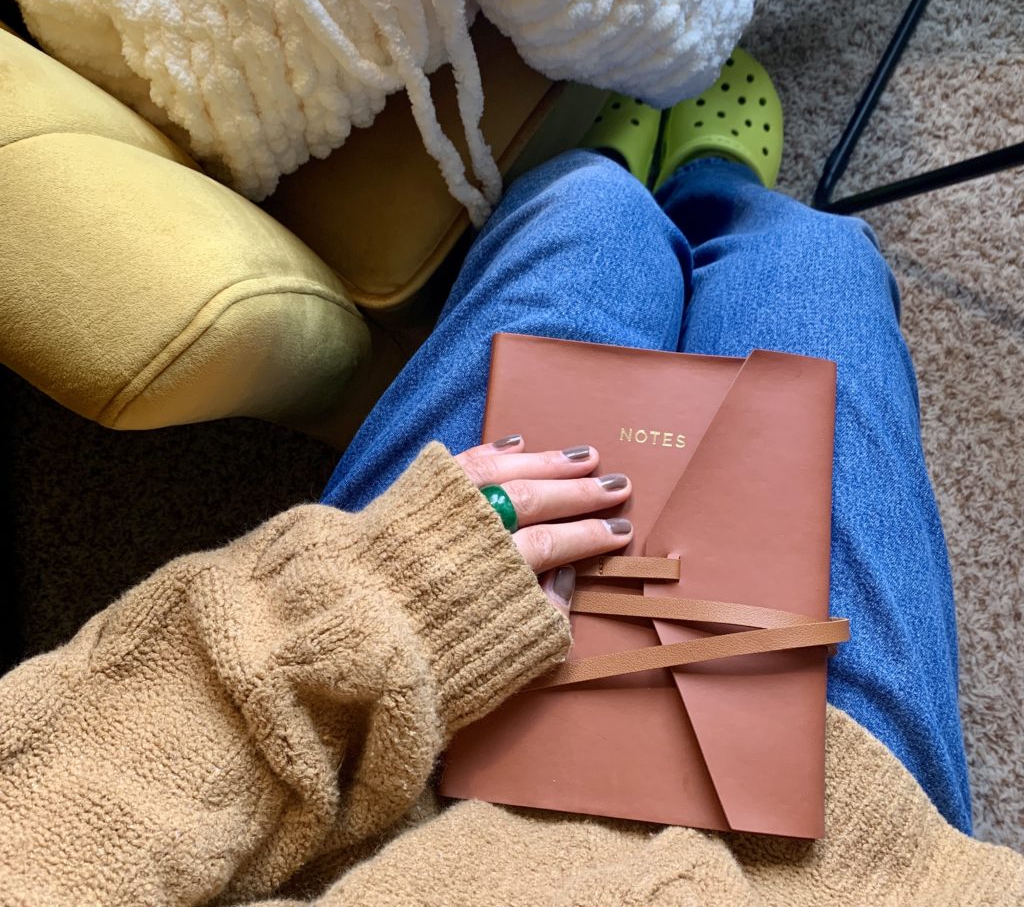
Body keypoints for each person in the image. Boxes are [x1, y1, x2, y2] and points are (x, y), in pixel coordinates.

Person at [0, 53, 1020, 906]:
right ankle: (717, 183)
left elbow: (48, 811)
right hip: (837, 861)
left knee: (583, 217)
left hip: (393, 771)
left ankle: (623, 178)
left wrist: (379, 590)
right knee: (814, 259)